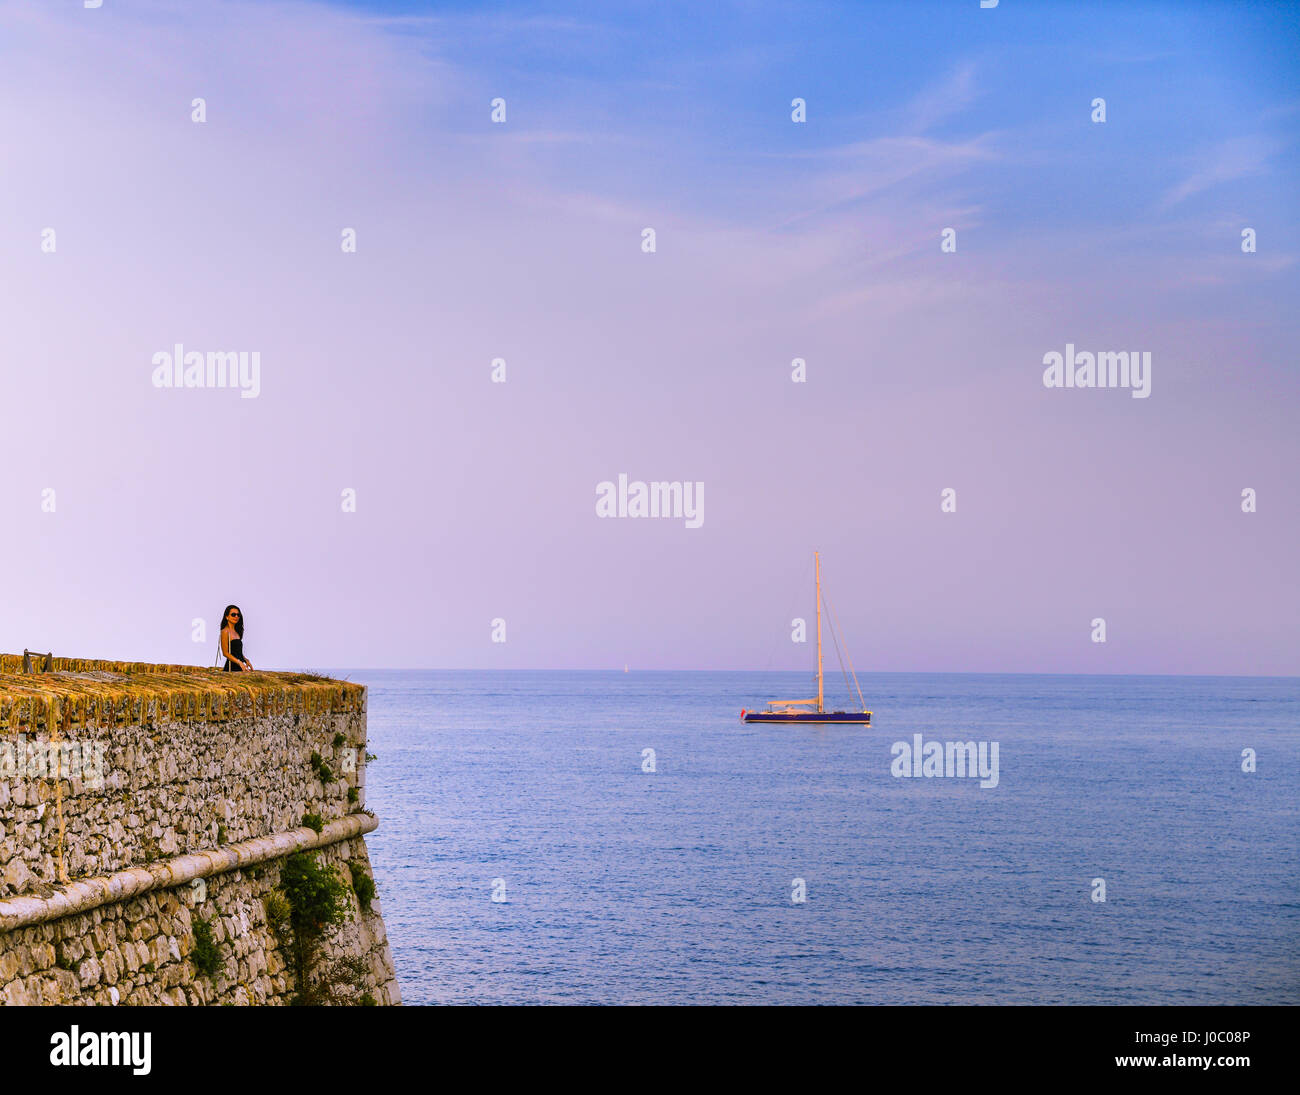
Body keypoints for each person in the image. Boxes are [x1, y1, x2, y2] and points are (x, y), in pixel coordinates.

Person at [219, 605, 254, 672]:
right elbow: (225, 653)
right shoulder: (225, 631)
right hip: (231, 668)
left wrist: (246, 660)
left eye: (238, 615)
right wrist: (239, 662)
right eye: (233, 614)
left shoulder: (237, 632)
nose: (236, 616)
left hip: (240, 667)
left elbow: (237, 652)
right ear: (227, 617)